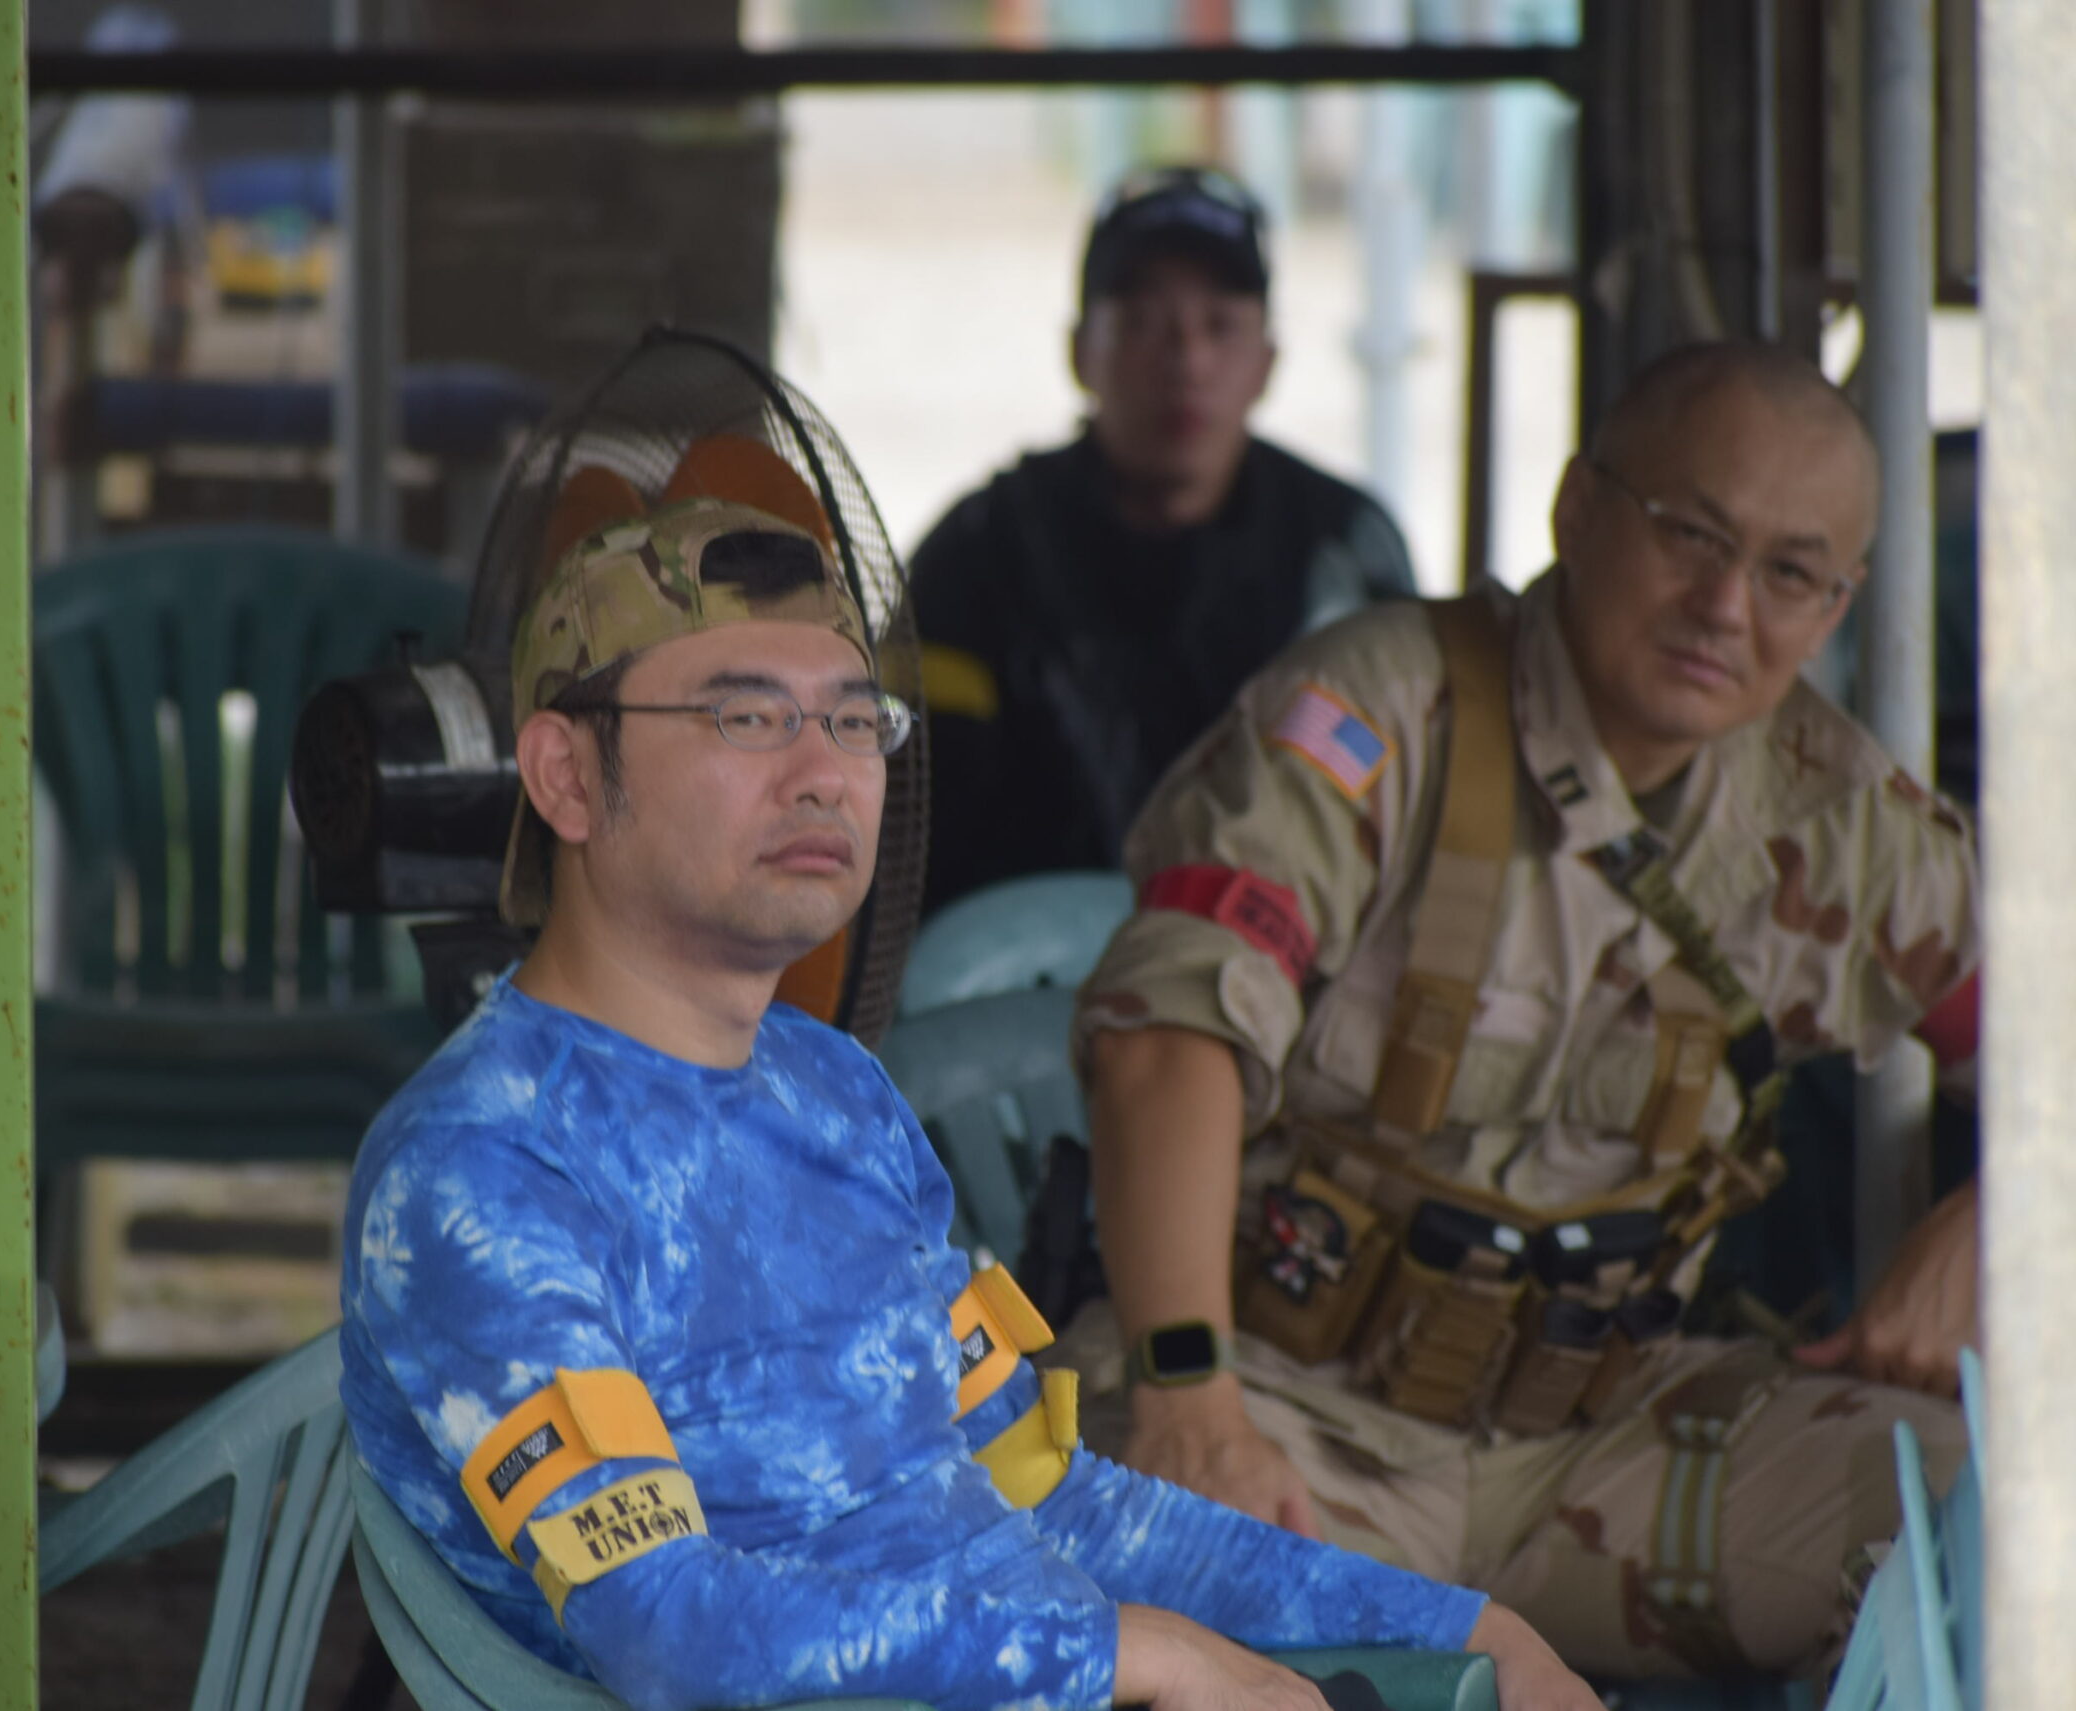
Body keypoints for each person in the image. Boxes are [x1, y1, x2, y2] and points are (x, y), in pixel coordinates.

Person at [338, 478, 1602, 1711]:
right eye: (745, 716)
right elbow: (668, 1629)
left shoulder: (831, 1089)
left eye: (854, 721)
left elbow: (1045, 1491)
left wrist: (1465, 1625)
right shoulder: (482, 1168)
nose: (824, 773)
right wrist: (1119, 1658)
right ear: (564, 774)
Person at [1068, 341, 1981, 1682]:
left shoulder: (1837, 817)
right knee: (1109, 1594)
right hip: (1285, 1406)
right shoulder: (1384, 711)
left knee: (2002, 1518)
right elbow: (1168, 1035)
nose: (1724, 605)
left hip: (1608, 1443)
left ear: (1838, 603)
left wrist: (1996, 1213)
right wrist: (1186, 1383)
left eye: (1790, 573)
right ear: (1576, 508)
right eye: (1689, 534)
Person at [910, 165, 1417, 911]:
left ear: (1267, 361)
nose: (1187, 361)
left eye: (1220, 325)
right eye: (1144, 323)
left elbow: (1399, 803)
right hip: (1024, 957)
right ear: (1080, 352)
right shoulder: (979, 554)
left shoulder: (1343, 551)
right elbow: (918, 826)